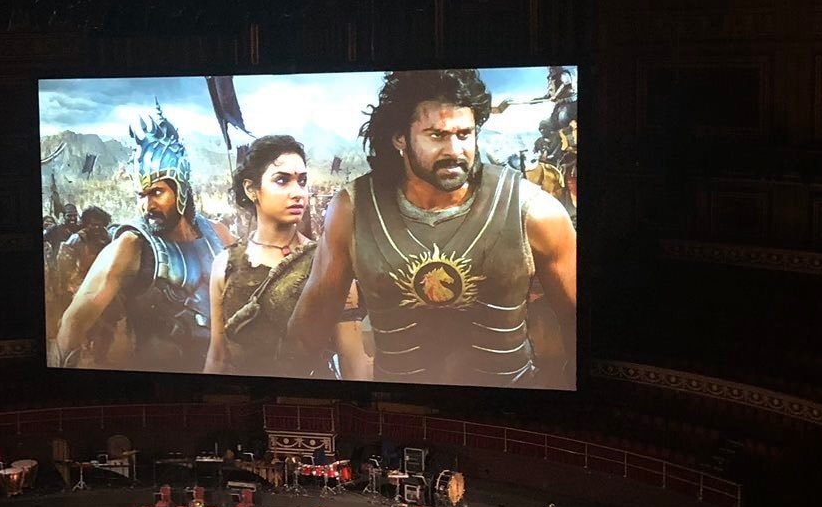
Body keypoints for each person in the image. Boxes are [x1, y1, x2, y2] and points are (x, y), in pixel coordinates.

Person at [289, 69, 578, 388]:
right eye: (437, 135)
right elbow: (306, 334)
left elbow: (578, 326)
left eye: (464, 134)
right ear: (401, 137)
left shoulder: (535, 212)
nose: (454, 150)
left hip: (508, 409)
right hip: (397, 411)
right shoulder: (352, 210)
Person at [51, 107, 232, 372]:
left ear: (181, 189)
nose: (147, 205)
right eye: (141, 195)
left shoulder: (219, 234)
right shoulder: (132, 246)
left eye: (157, 192)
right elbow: (74, 322)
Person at [207, 134, 368, 379]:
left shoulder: (328, 263)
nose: (298, 193)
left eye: (302, 181)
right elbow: (218, 356)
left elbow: (353, 361)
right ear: (251, 189)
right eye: (282, 180)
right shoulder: (225, 265)